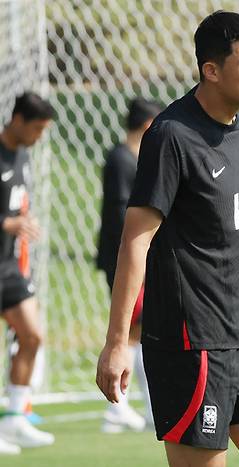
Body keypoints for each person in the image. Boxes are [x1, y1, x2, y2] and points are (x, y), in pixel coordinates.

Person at [96, 10, 239, 467]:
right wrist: (116, 343)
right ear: (211, 70)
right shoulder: (170, 136)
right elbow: (136, 241)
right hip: (192, 346)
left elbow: (224, 240)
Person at [97, 97, 162, 432]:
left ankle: (136, 407)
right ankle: (119, 408)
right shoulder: (121, 159)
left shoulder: (130, 158)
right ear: (150, 125)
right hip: (122, 258)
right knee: (134, 330)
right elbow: (123, 213)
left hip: (133, 256)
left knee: (139, 330)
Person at [0, 92, 56, 453]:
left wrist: (24, 222)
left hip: (7, 267)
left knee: (32, 336)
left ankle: (16, 419)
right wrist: (9, 224)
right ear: (17, 119)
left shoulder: (22, 154)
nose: (38, 136)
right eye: (36, 128)